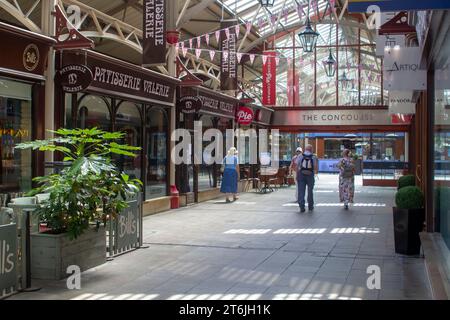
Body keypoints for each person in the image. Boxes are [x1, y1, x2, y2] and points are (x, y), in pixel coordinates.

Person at [296, 144, 318, 212]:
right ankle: (310, 206)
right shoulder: (314, 157)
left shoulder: (300, 156)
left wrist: (297, 175)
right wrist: (314, 174)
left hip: (301, 175)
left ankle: (301, 206)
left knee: (301, 191)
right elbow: (315, 167)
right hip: (310, 175)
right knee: (310, 191)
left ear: (305, 149)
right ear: (311, 150)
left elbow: (297, 166)